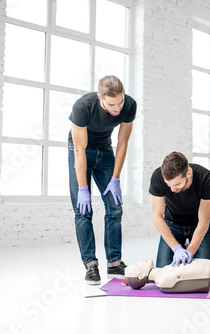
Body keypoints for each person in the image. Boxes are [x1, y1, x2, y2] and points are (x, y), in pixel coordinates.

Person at [68, 75, 136, 285]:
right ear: (100, 98)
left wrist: (115, 178)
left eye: (120, 102)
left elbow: (122, 143)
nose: (118, 108)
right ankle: (90, 265)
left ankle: (114, 263)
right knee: (83, 210)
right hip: (81, 151)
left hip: (105, 151)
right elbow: (79, 150)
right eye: (112, 104)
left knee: (115, 208)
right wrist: (83, 188)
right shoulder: (83, 107)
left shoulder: (129, 105)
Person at [149, 152, 210, 268]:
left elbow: (204, 222)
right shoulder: (158, 177)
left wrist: (190, 251)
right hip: (172, 224)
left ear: (188, 173)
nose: (172, 189)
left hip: (198, 225)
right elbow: (157, 217)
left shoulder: (206, 178)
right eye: (168, 184)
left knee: (203, 273)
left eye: (177, 184)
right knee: (162, 272)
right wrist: (176, 248)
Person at [124, 259, 210, 293]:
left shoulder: (163, 272)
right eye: (136, 265)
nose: (140, 260)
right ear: (141, 276)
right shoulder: (163, 280)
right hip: (204, 270)